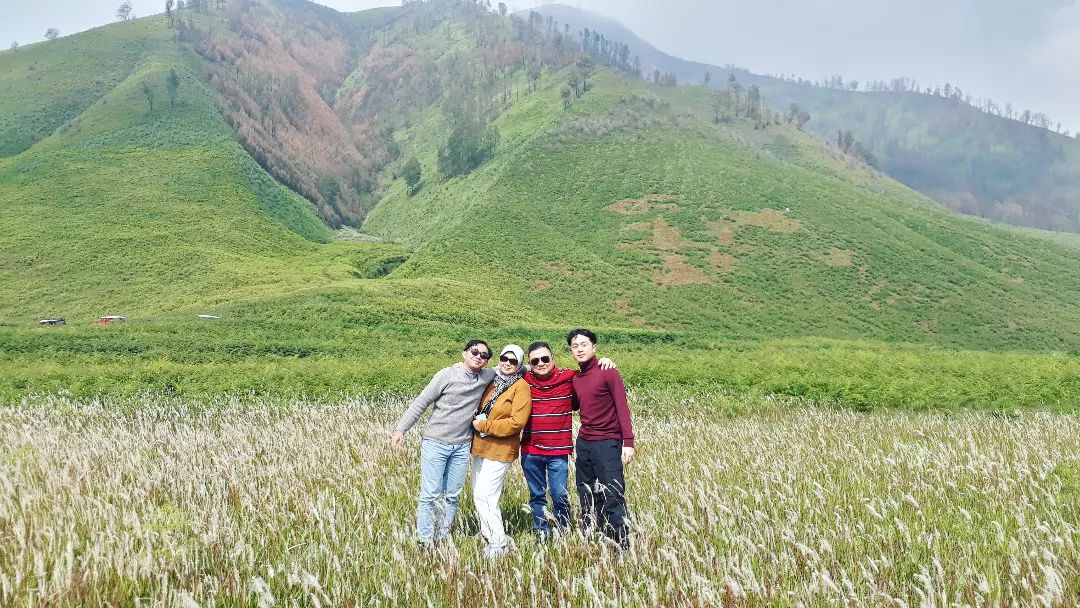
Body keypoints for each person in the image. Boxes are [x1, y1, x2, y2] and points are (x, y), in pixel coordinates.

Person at [391, 339, 496, 548]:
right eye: (475, 352)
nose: (479, 357)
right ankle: (425, 540)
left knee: (452, 495)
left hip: (462, 445)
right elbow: (422, 402)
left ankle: (442, 536)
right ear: (464, 353)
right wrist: (401, 429)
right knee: (430, 494)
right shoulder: (446, 375)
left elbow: (511, 367)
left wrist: (538, 364)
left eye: (484, 355)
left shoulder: (486, 376)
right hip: (436, 443)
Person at [567, 328, 635, 549]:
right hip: (584, 442)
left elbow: (622, 407)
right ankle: (594, 537)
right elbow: (573, 403)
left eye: (584, 344)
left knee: (613, 493)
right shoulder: (576, 378)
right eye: (575, 346)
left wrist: (629, 442)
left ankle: (621, 544)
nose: (579, 349)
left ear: (594, 347)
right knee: (586, 493)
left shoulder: (608, 371)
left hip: (608, 442)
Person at [469, 344, 532, 558]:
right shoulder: (493, 381)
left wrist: (485, 426)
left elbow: (517, 423)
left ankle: (498, 543)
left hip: (501, 449)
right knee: (479, 495)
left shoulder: (520, 387)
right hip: (481, 447)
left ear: (519, 365)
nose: (507, 363)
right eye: (504, 358)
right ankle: (489, 538)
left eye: (513, 361)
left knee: (487, 496)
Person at [519, 341, 577, 539]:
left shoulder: (568, 377)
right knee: (537, 496)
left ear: (554, 359)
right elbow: (500, 371)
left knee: (560, 495)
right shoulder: (524, 380)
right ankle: (541, 533)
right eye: (535, 361)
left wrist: (605, 361)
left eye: (545, 358)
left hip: (558, 451)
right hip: (530, 451)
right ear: (529, 364)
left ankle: (563, 531)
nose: (541, 363)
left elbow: (590, 372)